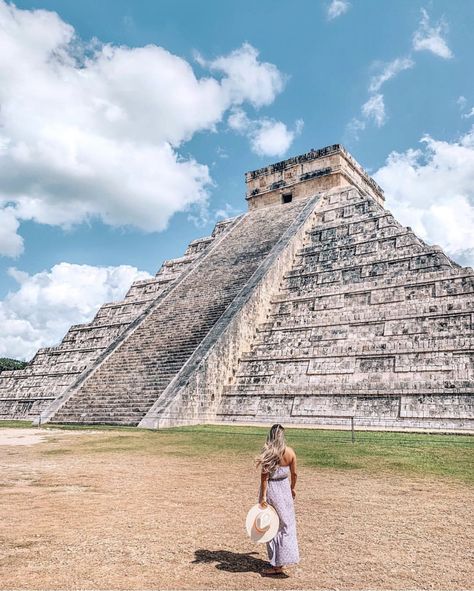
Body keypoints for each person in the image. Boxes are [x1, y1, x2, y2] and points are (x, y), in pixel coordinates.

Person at [256, 423, 299, 576]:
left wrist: (263, 497)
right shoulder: (290, 452)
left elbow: (264, 478)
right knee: (286, 524)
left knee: (271, 526)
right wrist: (292, 488)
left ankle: (276, 565)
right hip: (284, 489)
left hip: (272, 490)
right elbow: (294, 475)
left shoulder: (269, 453)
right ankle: (284, 558)